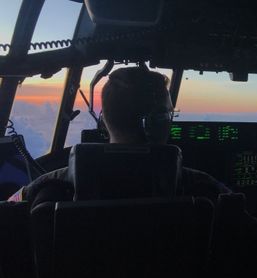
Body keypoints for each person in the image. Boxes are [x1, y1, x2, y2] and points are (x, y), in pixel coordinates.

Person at [8, 67, 230, 207]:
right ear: (158, 122)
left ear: (104, 120)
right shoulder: (203, 188)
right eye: (170, 114)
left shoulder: (49, 188)